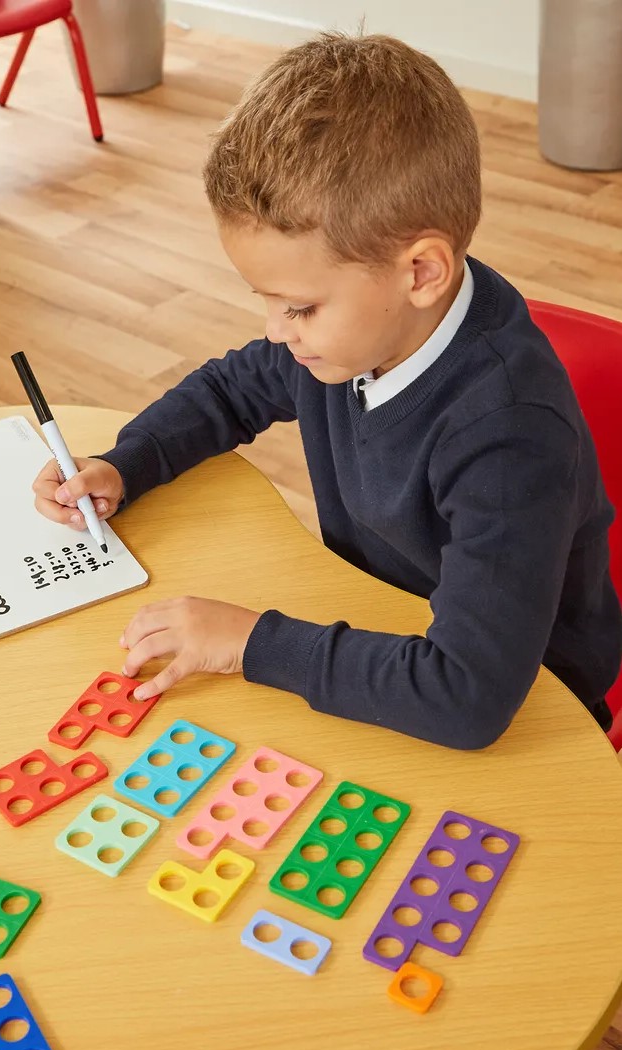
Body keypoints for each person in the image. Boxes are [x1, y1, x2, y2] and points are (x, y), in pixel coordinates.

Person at [33, 32, 622, 749]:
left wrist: (250, 642)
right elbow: (230, 389)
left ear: (421, 273)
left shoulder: (506, 437)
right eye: (269, 301)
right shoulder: (351, 338)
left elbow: (468, 696)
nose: (276, 331)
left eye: (299, 306)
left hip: (530, 709)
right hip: (380, 628)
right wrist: (126, 462)